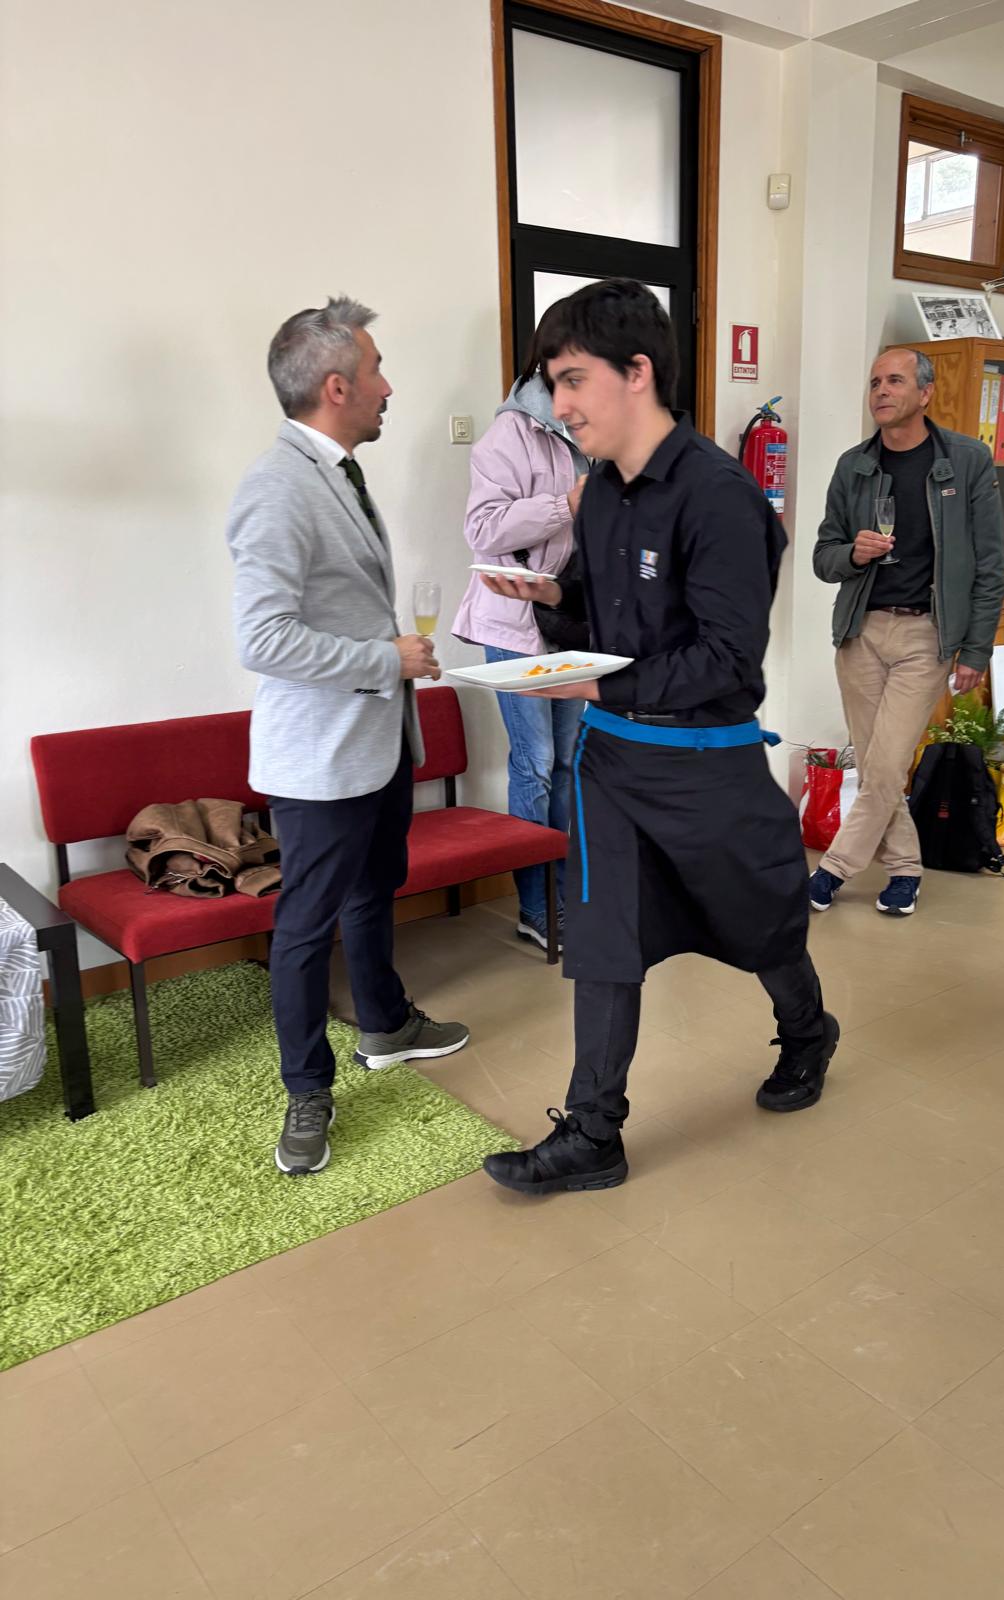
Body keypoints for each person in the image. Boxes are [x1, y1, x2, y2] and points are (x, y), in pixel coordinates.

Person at [476, 279, 837, 1196]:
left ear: (637, 372)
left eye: (572, 380)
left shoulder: (720, 496)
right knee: (603, 941)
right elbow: (603, 615)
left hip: (705, 761)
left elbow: (727, 657)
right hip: (612, 762)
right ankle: (593, 1132)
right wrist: (554, 599)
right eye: (552, 383)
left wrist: (602, 680)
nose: (559, 404)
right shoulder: (598, 492)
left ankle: (808, 1030)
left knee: (758, 920)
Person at [227, 297, 469, 1175]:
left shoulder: (339, 474)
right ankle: (307, 1092)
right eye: (376, 369)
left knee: (374, 891)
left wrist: (390, 661)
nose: (388, 386)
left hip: (376, 743)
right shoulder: (277, 486)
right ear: (337, 387)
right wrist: (383, 658)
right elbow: (263, 639)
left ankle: (387, 1025)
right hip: (321, 758)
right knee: (304, 926)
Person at [810, 348, 1004, 916]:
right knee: (880, 768)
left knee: (886, 764)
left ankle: (832, 870)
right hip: (861, 633)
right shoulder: (853, 466)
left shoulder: (967, 461)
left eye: (894, 380)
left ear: (925, 393)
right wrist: (853, 553)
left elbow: (990, 565)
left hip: (927, 636)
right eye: (875, 382)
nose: (881, 391)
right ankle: (905, 870)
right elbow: (824, 557)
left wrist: (976, 649)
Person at [452, 310, 589, 951]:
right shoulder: (509, 433)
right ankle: (537, 907)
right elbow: (483, 529)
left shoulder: (591, 427)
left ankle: (565, 897)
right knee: (535, 764)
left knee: (567, 763)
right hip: (514, 624)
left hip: (573, 617)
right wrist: (565, 505)